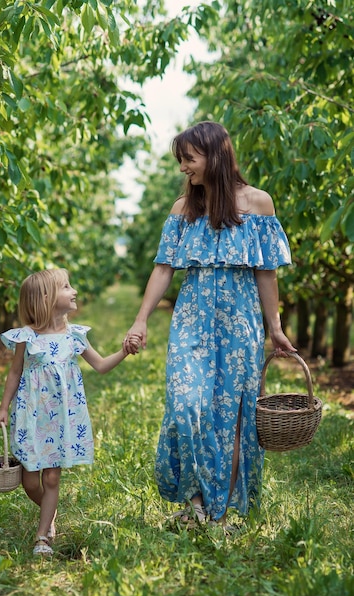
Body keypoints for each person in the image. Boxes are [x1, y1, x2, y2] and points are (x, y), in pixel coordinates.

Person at [124, 121, 296, 531]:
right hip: (191, 320)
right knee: (187, 405)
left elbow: (266, 273)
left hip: (240, 326)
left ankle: (214, 512)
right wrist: (141, 319)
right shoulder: (184, 210)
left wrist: (275, 328)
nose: (183, 167)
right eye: (180, 160)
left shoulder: (258, 204)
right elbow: (164, 268)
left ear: (215, 155)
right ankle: (198, 499)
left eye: (189, 158)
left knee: (233, 416)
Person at [0, 268, 140, 555]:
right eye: (66, 287)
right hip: (31, 415)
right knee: (29, 481)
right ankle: (51, 511)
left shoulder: (74, 336)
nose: (74, 291)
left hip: (61, 417)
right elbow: (14, 373)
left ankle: (42, 537)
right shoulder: (27, 337)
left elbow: (100, 365)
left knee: (51, 478)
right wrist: (3, 407)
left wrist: (124, 351)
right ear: (46, 298)